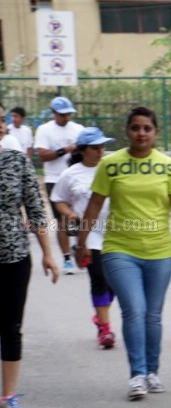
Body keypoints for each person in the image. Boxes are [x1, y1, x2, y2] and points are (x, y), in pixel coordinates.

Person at [82, 107, 171, 400]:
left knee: (153, 315)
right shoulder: (111, 164)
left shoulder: (167, 166)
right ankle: (137, 374)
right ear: (128, 131)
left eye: (147, 128)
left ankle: (152, 371)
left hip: (159, 251)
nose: (141, 134)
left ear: (155, 132)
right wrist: (81, 241)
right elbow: (95, 205)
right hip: (119, 248)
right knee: (134, 310)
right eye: (136, 128)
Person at [0, 146, 60, 408]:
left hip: (14, 257)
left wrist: (48, 253)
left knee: (11, 327)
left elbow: (35, 209)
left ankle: (9, 399)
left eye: (1, 120)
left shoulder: (15, 160)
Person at [51, 127, 116, 349]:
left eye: (102, 147)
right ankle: (105, 330)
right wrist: (69, 213)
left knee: (115, 282)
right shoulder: (71, 174)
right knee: (99, 278)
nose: (100, 152)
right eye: (94, 148)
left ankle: (101, 315)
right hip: (90, 235)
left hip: (117, 233)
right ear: (82, 150)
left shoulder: (111, 168)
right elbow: (58, 199)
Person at [34, 97, 85, 275]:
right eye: (63, 114)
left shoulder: (78, 129)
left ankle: (79, 248)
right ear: (54, 113)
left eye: (69, 113)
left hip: (76, 179)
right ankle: (67, 260)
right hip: (54, 180)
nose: (67, 117)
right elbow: (42, 155)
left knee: (80, 218)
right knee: (62, 221)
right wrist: (66, 149)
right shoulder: (44, 130)